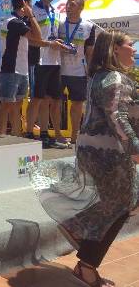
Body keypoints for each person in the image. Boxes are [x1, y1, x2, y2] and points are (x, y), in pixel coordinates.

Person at [32, 30, 138, 287]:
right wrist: (135, 147)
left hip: (93, 151)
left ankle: (79, 237)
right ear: (115, 49)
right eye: (130, 44)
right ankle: (85, 260)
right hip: (109, 154)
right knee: (124, 204)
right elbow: (117, 116)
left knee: (118, 204)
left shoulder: (100, 76)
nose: (134, 49)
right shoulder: (114, 78)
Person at [25, 0, 70, 148]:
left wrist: (61, 43)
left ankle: (45, 133)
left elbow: (55, 35)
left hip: (55, 60)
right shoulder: (32, 10)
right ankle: (29, 133)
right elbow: (29, 38)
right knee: (37, 98)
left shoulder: (56, 11)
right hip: (39, 59)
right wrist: (49, 43)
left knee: (50, 99)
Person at [0, 0, 42, 136]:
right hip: (10, 70)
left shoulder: (20, 22)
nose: (31, 8)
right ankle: (1, 136)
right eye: (30, 4)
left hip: (22, 70)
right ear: (24, 4)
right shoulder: (13, 22)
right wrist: (31, 16)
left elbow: (36, 40)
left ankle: (16, 135)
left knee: (17, 106)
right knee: (6, 104)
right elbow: (38, 37)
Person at [57, 0, 96, 144]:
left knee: (77, 104)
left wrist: (91, 72)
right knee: (55, 102)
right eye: (67, 4)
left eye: (72, 4)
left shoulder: (89, 26)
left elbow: (89, 52)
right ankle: (58, 134)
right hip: (59, 69)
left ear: (81, 7)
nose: (68, 7)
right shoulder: (59, 23)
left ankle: (74, 135)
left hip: (78, 71)